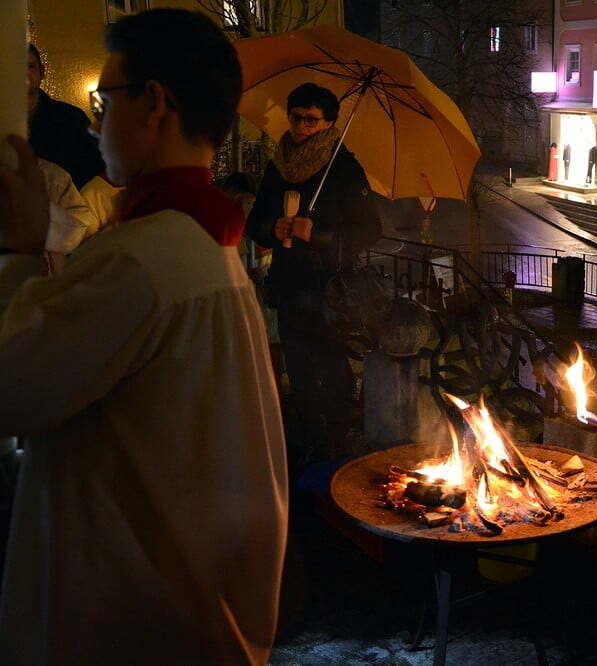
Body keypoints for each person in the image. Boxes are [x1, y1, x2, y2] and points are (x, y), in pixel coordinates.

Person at [0, 9, 287, 665]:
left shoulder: (139, 259)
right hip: (187, 602)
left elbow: (10, 386)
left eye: (105, 101)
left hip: (128, 619)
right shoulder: (202, 244)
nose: (94, 123)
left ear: (154, 104)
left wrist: (17, 249)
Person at [245, 82, 381, 467]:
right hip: (289, 287)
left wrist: (317, 234)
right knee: (300, 372)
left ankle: (338, 449)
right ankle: (308, 448)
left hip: (329, 291)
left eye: (311, 120)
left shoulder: (344, 169)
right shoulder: (279, 166)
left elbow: (369, 231)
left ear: (329, 123)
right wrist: (273, 228)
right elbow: (255, 222)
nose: (302, 126)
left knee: (332, 370)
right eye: (296, 117)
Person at [27, 43, 105, 189]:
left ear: (42, 72)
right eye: (16, 67)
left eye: (30, 66)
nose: (22, 73)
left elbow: (95, 168)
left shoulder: (71, 118)